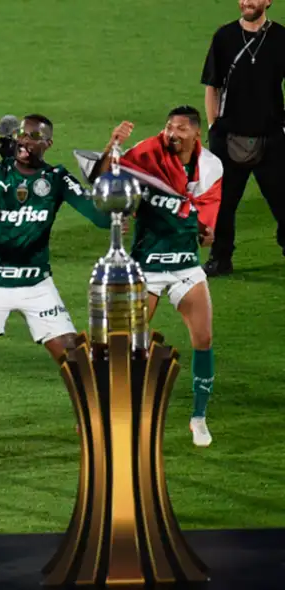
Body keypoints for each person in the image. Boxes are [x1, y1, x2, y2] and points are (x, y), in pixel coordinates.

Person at [0, 114, 112, 471]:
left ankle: (94, 428)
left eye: (34, 137)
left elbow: (101, 219)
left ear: (48, 144)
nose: (25, 141)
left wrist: (109, 187)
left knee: (75, 360)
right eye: (22, 135)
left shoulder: (56, 178)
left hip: (36, 286)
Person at [92, 108, 223, 446]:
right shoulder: (146, 152)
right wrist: (113, 145)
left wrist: (207, 233)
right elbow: (104, 181)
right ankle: (110, 414)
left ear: (196, 134)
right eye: (169, 127)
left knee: (204, 339)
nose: (172, 133)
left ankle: (199, 418)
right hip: (146, 266)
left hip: (184, 267)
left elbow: (206, 220)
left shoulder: (210, 167)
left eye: (180, 128)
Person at [200, 0, 285, 276]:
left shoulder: (281, 38)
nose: (247, 2)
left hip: (271, 137)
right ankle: (220, 258)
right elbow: (212, 85)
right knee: (223, 204)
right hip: (228, 136)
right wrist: (214, 128)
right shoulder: (224, 37)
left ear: (268, 1)